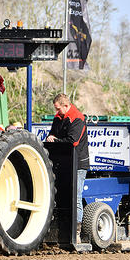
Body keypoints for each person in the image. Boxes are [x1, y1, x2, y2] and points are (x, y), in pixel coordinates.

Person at [45, 93, 89, 243]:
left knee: (75, 197)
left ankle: (76, 231)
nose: (57, 112)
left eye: (58, 109)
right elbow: (53, 134)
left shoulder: (77, 118)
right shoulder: (58, 118)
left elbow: (73, 141)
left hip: (78, 163)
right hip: (62, 161)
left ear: (66, 105)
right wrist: (51, 138)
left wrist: (55, 140)